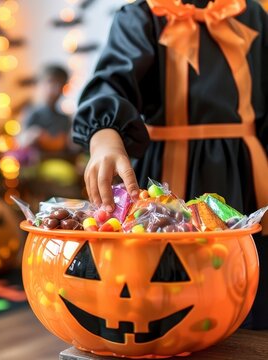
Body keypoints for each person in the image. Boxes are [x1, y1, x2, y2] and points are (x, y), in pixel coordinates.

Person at [73, 0, 267, 329]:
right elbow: (112, 83)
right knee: (168, 287)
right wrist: (104, 133)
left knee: (247, 286)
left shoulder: (253, 15)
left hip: (247, 175)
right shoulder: (141, 16)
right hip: (167, 178)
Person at [18, 64, 72, 153]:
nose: (56, 90)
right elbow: (21, 142)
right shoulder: (31, 113)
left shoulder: (64, 119)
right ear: (40, 84)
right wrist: (32, 136)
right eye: (51, 83)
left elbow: (65, 146)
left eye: (61, 85)